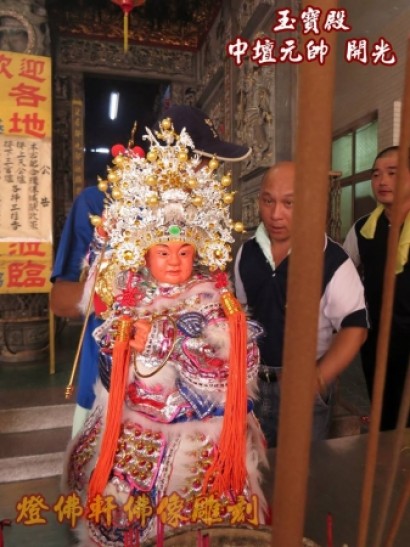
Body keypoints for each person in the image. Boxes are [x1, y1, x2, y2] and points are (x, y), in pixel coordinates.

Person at [63, 120, 266, 545]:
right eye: (162, 251)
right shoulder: (132, 295)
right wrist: (121, 346)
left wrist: (163, 343)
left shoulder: (212, 297)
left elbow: (241, 363)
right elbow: (108, 356)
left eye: (184, 251)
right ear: (145, 254)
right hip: (134, 427)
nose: (174, 261)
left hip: (197, 433)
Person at [50, 104, 251, 436]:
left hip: (187, 399)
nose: (208, 174)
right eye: (204, 163)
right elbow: (60, 300)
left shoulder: (201, 221)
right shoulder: (101, 204)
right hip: (111, 388)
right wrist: (111, 290)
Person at [234, 161, 369, 448]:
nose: (276, 214)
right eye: (268, 201)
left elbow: (355, 328)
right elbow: (242, 314)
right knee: (253, 463)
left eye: (289, 203)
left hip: (304, 385)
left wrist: (318, 378)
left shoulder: (332, 260)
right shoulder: (246, 253)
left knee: (301, 465)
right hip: (252, 384)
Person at [343, 146, 410, 430]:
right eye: (376, 174)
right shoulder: (362, 230)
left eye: (392, 173)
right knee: (385, 416)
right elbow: (341, 277)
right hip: (378, 339)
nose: (382, 181)